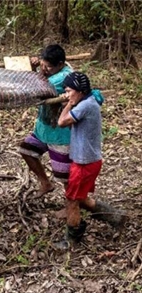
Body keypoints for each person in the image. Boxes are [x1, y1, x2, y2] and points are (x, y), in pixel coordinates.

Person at [53, 72, 126, 250]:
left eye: (69, 91)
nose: (67, 94)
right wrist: (71, 102)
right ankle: (114, 215)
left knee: (71, 200)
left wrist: (68, 104)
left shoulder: (84, 106)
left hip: (85, 163)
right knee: (81, 197)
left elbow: (62, 122)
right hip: (88, 160)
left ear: (79, 91)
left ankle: (72, 238)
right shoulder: (88, 101)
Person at [19, 44, 73, 200]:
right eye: (42, 64)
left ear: (61, 64)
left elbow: (33, 87)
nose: (44, 69)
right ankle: (45, 183)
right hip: (44, 129)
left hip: (60, 134)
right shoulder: (52, 73)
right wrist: (38, 67)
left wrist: (37, 70)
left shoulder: (63, 77)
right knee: (26, 150)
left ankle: (71, 209)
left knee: (64, 175)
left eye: (48, 67)